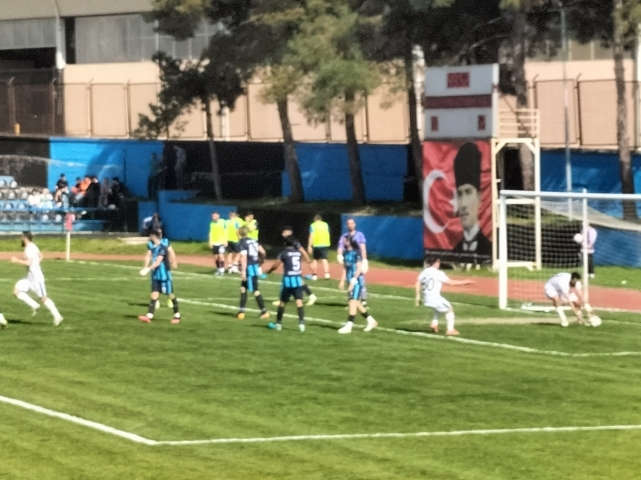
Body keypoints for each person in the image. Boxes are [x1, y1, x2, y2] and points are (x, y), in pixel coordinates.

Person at [11, 231, 63, 326]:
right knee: (16, 291)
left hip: (36, 278)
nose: (20, 239)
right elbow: (41, 256)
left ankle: (57, 316)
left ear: (25, 238)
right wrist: (36, 264)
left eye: (22, 237)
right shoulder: (32, 246)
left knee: (43, 298)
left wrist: (17, 260)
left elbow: (28, 263)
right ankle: (34, 305)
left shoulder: (29, 248)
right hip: (29, 278)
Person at [415, 256, 473, 336]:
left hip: (426, 297)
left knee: (437, 307)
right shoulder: (439, 273)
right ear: (436, 263)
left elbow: (418, 283)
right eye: (438, 262)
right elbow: (451, 283)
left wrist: (417, 296)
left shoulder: (425, 271)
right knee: (449, 308)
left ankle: (434, 323)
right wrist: (465, 282)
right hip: (434, 297)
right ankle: (450, 330)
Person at [452, 143, 492, 259]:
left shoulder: (489, 248)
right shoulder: (454, 251)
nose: (463, 204)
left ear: (479, 197)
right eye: (460, 194)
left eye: (468, 192)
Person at [138, 229, 181, 324]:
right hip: (156, 274)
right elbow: (149, 256)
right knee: (154, 294)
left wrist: (148, 269)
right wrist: (146, 267)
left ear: (154, 236)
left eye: (150, 235)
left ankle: (177, 316)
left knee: (171, 294)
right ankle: (149, 316)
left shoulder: (162, 248)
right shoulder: (152, 246)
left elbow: (158, 262)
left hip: (164, 275)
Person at [337, 235, 377, 334]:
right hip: (349, 280)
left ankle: (349, 325)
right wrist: (342, 281)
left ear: (349, 241)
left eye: (345, 240)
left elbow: (359, 269)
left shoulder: (356, 252)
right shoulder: (345, 253)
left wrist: (353, 281)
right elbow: (345, 268)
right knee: (356, 303)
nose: (343, 242)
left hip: (356, 281)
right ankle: (371, 321)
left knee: (352, 302)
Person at [266, 236, 306, 332]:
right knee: (299, 302)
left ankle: (278, 324)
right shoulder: (298, 253)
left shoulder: (284, 253)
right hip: (298, 280)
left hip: (288, 281)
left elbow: (276, 265)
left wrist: (269, 271)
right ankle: (301, 325)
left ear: (285, 243)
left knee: (282, 303)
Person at [272, 226, 317, 306]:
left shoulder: (294, 242)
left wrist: (309, 263)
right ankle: (311, 296)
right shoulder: (288, 241)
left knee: (286, 280)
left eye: (284, 232)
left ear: (289, 232)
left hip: (293, 266)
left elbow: (303, 252)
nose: (282, 234)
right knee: (299, 281)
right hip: (293, 264)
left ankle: (282, 299)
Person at [237, 226, 269, 320]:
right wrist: (261, 262)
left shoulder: (242, 242)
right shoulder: (254, 240)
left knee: (255, 290)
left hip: (249, 268)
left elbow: (244, 257)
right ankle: (241, 311)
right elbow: (263, 252)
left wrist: (243, 270)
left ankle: (264, 312)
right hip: (254, 266)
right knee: (243, 288)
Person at [337, 218, 369, 305]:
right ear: (346, 225)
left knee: (360, 279)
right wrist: (339, 255)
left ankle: (363, 300)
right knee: (349, 277)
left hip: (357, 259)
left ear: (355, 224)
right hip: (349, 259)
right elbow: (340, 247)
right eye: (349, 223)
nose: (351, 225)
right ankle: (352, 300)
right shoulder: (344, 237)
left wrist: (364, 260)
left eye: (352, 223)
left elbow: (363, 248)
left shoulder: (359, 235)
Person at [308, 214, 331, 280]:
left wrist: (309, 246)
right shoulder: (326, 225)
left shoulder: (313, 225)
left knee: (315, 259)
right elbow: (328, 233)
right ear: (321, 219)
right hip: (325, 243)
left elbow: (311, 236)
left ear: (315, 219)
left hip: (316, 244)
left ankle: (314, 275)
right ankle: (327, 274)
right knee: (324, 259)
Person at [209, 211, 228, 276]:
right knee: (216, 257)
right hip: (215, 242)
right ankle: (218, 269)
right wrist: (210, 242)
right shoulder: (212, 223)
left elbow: (226, 231)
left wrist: (225, 241)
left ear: (218, 216)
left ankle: (222, 269)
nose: (213, 217)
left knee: (221, 256)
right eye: (212, 216)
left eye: (214, 216)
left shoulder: (223, 222)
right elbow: (211, 233)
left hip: (221, 242)